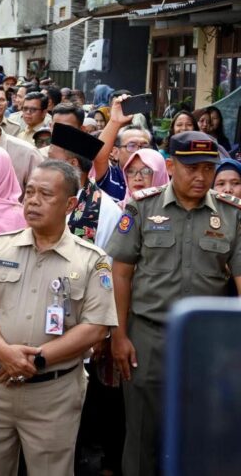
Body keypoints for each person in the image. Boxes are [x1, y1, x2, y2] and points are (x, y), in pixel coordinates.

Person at [106, 130, 241, 476]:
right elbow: (119, 274)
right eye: (191, 168)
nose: (201, 177)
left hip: (208, 345)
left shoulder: (232, 215)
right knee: (141, 438)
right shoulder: (142, 206)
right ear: (170, 165)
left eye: (207, 170)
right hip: (147, 337)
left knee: (201, 436)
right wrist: (118, 336)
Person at [0, 160, 118, 476]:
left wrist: (35, 360)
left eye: (45, 194)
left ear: (70, 204)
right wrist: (3, 351)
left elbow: (96, 327)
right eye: (29, 192)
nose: (33, 201)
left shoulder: (91, 260)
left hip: (53, 391)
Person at [47, 123, 122, 250]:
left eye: (51, 159)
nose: (45, 165)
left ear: (73, 164)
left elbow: (107, 263)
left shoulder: (107, 211)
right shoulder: (41, 198)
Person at [94, 97, 153, 201]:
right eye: (131, 145)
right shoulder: (111, 177)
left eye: (144, 146)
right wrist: (114, 121)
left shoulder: (156, 177)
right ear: (115, 153)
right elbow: (98, 157)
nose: (138, 151)